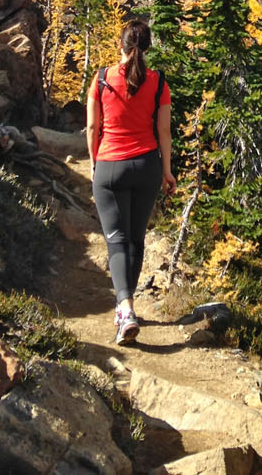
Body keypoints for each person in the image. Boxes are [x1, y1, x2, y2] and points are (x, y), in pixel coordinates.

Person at [86, 18, 176, 344]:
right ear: (148, 47)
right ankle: (127, 305)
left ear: (119, 45)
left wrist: (95, 166)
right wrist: (167, 170)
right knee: (135, 241)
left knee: (116, 241)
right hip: (147, 167)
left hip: (111, 166)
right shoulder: (158, 82)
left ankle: (124, 308)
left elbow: (93, 130)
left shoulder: (101, 80)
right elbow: (164, 132)